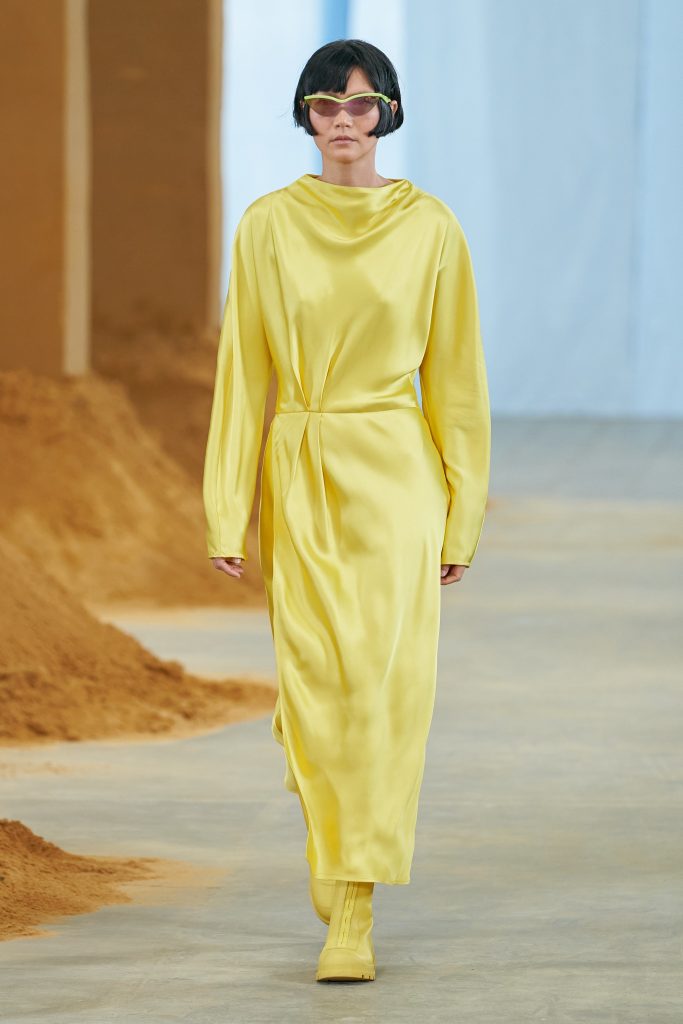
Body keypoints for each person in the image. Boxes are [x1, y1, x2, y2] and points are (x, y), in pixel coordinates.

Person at [202, 38, 491, 983]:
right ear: (305, 116)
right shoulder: (268, 225)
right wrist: (226, 508)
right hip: (301, 464)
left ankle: (353, 902)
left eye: (361, 105)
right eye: (325, 105)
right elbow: (242, 376)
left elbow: (456, 381)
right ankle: (332, 822)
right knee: (313, 681)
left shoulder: (430, 228)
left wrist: (461, 512)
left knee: (383, 689)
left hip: (395, 475)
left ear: (388, 114)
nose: (343, 121)